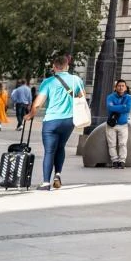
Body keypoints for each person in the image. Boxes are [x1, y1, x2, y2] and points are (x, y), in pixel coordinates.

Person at [29, 55, 85, 190]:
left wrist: (30, 114)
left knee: (49, 151)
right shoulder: (76, 80)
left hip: (51, 121)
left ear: (54, 67)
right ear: (67, 66)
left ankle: (46, 183)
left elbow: (38, 104)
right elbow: (81, 98)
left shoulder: (48, 82)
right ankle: (58, 174)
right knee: (60, 147)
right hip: (69, 121)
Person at [105, 79, 131, 169]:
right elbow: (110, 107)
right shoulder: (110, 97)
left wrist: (116, 107)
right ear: (116, 87)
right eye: (119, 86)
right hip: (111, 125)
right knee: (112, 144)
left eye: (123, 86)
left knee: (123, 144)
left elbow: (128, 109)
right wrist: (122, 107)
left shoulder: (129, 97)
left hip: (123, 125)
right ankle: (114, 161)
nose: (121, 87)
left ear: (125, 87)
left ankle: (122, 161)